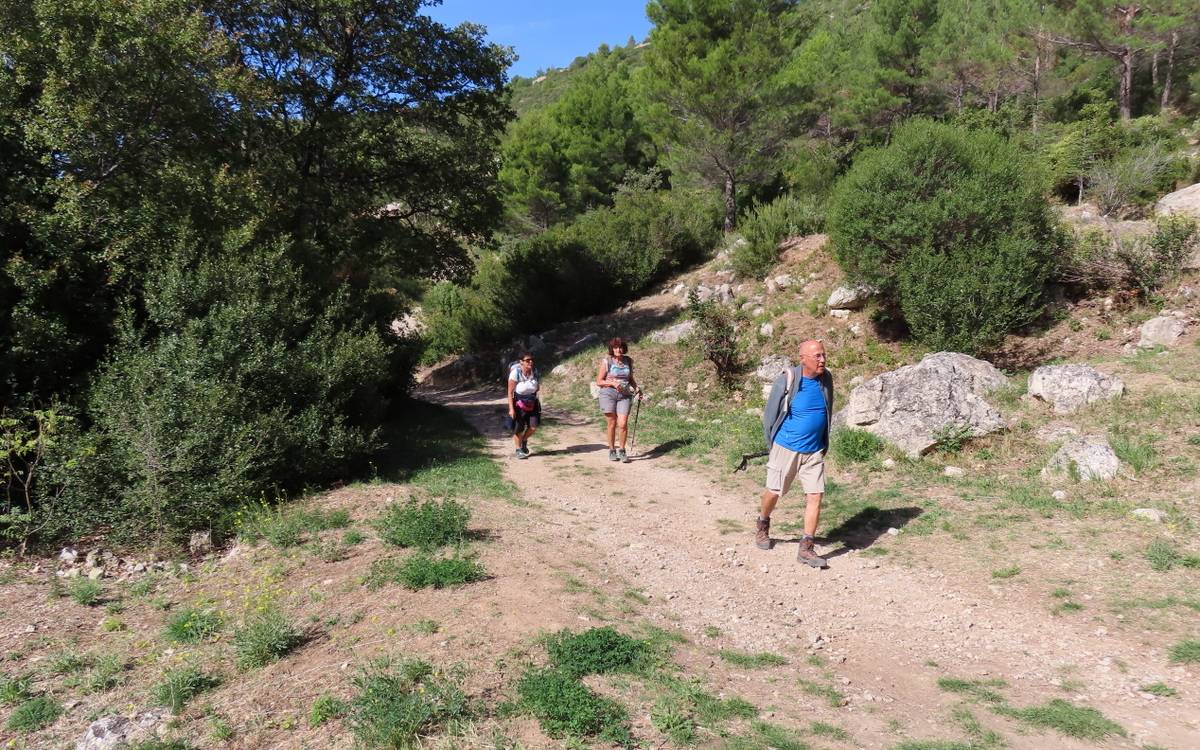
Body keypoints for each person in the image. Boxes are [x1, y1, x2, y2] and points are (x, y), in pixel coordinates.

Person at [757, 339, 834, 567]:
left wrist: (823, 441)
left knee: (815, 495)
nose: (822, 360)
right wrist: (774, 448)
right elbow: (770, 417)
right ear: (803, 359)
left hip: (814, 450)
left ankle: (806, 547)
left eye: (823, 355)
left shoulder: (826, 378)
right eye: (816, 356)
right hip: (786, 447)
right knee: (774, 491)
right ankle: (763, 522)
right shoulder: (788, 380)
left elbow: (828, 408)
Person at [595, 337, 640, 462]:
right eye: (615, 347)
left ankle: (622, 450)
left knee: (623, 423)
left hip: (624, 395)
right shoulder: (607, 361)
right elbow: (599, 381)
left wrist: (637, 388)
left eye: (620, 347)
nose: (618, 350)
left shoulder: (628, 361)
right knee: (612, 423)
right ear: (612, 349)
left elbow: (630, 378)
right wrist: (613, 383)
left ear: (623, 348)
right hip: (608, 394)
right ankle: (611, 450)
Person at [507, 352, 540, 459]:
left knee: (533, 427)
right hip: (519, 404)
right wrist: (511, 409)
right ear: (521, 362)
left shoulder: (534, 372)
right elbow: (510, 392)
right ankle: (518, 449)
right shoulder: (515, 373)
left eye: (531, 360)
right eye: (527, 360)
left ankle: (524, 440)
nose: (530, 361)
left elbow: (537, 387)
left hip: (532, 403)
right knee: (519, 428)